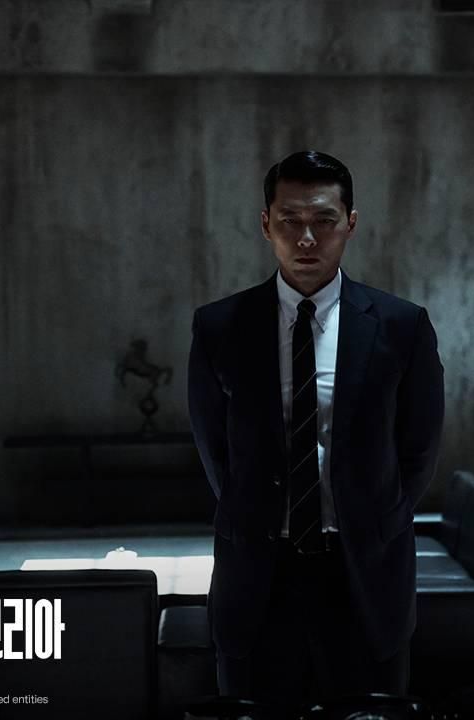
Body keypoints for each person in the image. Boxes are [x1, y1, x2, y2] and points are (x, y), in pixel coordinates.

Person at [187, 150, 445, 710]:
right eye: (290, 221)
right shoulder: (219, 327)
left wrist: (378, 521)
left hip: (362, 571)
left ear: (350, 223)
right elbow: (214, 448)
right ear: (266, 224)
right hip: (259, 572)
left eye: (324, 220)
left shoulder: (401, 326)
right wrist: (250, 512)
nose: (307, 238)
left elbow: (419, 448)